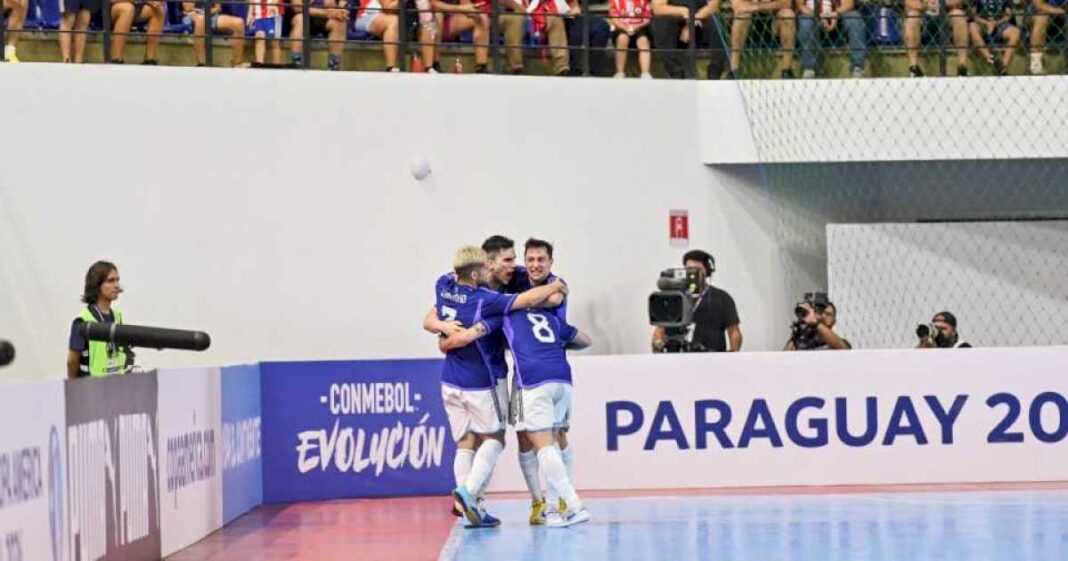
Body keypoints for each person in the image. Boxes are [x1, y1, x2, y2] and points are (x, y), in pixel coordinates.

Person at [428, 246, 568, 527]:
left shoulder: (443, 284)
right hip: (483, 378)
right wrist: (558, 285)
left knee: (465, 444)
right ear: (484, 267)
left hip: (450, 379)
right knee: (495, 438)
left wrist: (441, 329)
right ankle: (469, 494)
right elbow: (526, 299)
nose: (515, 265)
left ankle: (470, 507)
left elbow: (427, 319)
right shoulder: (487, 299)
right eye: (508, 260)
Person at [652, 250, 741, 353]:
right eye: (689, 269)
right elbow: (660, 330)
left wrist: (733, 356)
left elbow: (734, 331)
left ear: (707, 272)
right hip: (677, 358)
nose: (692, 274)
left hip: (713, 359)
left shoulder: (722, 298)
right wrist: (657, 350)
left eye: (697, 269)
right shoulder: (673, 298)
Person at [67, 261, 132, 378]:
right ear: (97, 284)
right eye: (111, 280)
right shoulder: (82, 320)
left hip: (116, 385)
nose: (117, 285)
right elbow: (72, 361)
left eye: (117, 280)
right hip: (92, 389)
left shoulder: (117, 316)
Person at [651, 0, 729, 79]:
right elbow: (657, 8)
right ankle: (676, 72)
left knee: (717, 23)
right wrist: (683, 11)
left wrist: (693, 21)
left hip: (701, 16)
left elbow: (714, 6)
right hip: (676, 16)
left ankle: (714, 73)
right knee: (659, 22)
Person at [796, 0, 866, 78]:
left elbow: (849, 3)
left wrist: (836, 13)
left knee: (854, 17)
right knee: (806, 22)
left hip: (838, 18)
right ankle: (809, 68)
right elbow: (800, 6)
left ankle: (857, 68)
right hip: (811, 16)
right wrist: (817, 16)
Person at [729, 0, 796, 78]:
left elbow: (786, 3)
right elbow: (738, 5)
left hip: (773, 22)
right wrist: (767, 5)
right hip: (749, 23)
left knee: (787, 14)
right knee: (742, 16)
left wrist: (757, 6)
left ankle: (786, 70)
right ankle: (734, 69)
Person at [904, 0, 969, 76]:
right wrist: (926, 6)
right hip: (924, 17)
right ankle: (914, 68)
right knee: (912, 16)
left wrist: (941, 3)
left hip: (945, 15)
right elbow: (909, 2)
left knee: (958, 14)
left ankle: (962, 67)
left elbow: (958, 1)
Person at [183, 0, 248, 67]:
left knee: (239, 23)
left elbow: (218, 8)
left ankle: (237, 63)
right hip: (193, 14)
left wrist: (207, 12)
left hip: (211, 16)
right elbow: (188, 8)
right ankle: (202, 63)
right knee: (201, 20)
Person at [431, 0, 490, 72]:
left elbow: (466, 5)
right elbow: (433, 4)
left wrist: (470, 8)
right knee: (437, 14)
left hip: (452, 17)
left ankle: (481, 67)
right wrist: (460, 8)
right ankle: (434, 64)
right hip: (432, 23)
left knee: (481, 16)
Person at [289, 0, 348, 70]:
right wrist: (326, 13)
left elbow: (342, 5)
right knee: (299, 19)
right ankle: (297, 62)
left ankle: (334, 64)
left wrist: (341, 11)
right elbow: (298, 8)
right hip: (306, 17)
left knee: (340, 22)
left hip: (327, 19)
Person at [969, 0, 1019, 75]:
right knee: (972, 26)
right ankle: (989, 57)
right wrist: (987, 23)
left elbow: (1008, 15)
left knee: (1015, 32)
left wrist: (996, 23)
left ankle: (1003, 67)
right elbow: (973, 15)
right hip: (982, 25)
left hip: (1000, 25)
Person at [109, 0, 166, 64]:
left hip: (136, 5)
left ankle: (150, 59)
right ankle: (116, 58)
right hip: (109, 7)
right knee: (127, 8)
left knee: (157, 9)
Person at [784, 298, 850, 350]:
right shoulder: (802, 341)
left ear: (834, 321)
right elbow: (783, 359)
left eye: (828, 314)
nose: (823, 316)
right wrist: (799, 330)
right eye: (820, 312)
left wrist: (815, 322)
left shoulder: (839, 343)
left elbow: (844, 350)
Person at [611, 0, 652, 78]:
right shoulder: (615, 1)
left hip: (639, 27)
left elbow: (647, 18)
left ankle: (645, 73)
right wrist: (626, 28)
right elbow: (614, 18)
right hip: (622, 27)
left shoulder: (643, 1)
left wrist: (636, 27)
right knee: (622, 38)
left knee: (643, 40)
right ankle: (620, 72)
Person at [1028, 0, 1065, 75]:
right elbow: (1039, 5)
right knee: (1041, 16)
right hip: (1037, 14)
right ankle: (1036, 63)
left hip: (1060, 17)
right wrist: (1059, 11)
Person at [248, 0, 282, 67]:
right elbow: (251, 3)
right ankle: (259, 64)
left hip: (274, 15)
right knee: (259, 37)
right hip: (258, 16)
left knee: (275, 42)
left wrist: (274, 3)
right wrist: (250, 14)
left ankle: (277, 67)